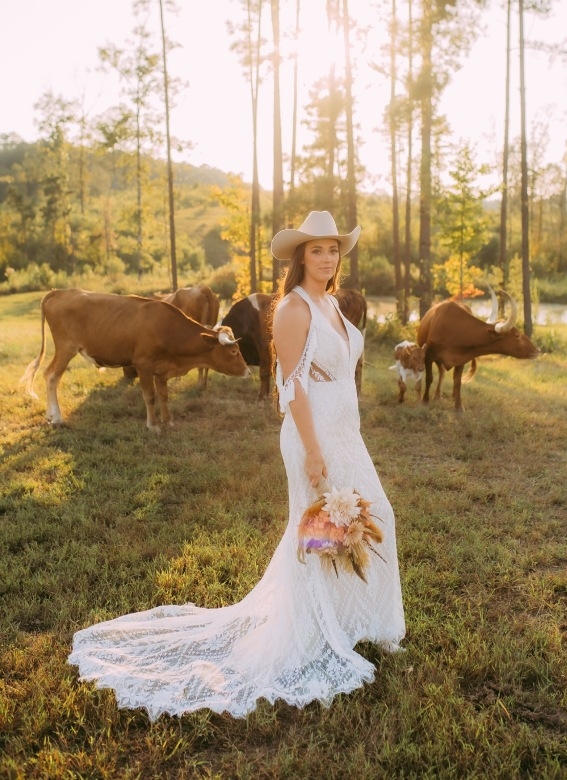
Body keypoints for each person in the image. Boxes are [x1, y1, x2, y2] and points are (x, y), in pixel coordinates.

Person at [68, 211, 405, 721]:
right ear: (300, 257)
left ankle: (352, 621)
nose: (327, 257)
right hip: (315, 435)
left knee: (364, 522)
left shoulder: (331, 303)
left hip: (345, 431)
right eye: (316, 250)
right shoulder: (293, 307)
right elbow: (289, 386)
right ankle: (312, 632)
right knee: (323, 531)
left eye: (333, 249)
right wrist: (313, 450)